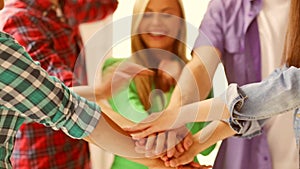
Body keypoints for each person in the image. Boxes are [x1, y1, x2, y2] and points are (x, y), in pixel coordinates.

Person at [125, 0, 300, 167]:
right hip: (242, 155)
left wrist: (180, 115)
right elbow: (201, 67)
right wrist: (189, 136)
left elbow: (288, 88)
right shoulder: (226, 7)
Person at [0, 0, 119, 168]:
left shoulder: (64, 6)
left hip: (77, 152)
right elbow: (66, 96)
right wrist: (101, 92)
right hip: (44, 158)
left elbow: (107, 4)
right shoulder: (20, 19)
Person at [102, 0, 215, 168]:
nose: (156, 22)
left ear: (180, 23)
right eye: (147, 14)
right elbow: (140, 129)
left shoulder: (198, 74)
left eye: (166, 14)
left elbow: (207, 145)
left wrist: (182, 81)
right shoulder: (116, 69)